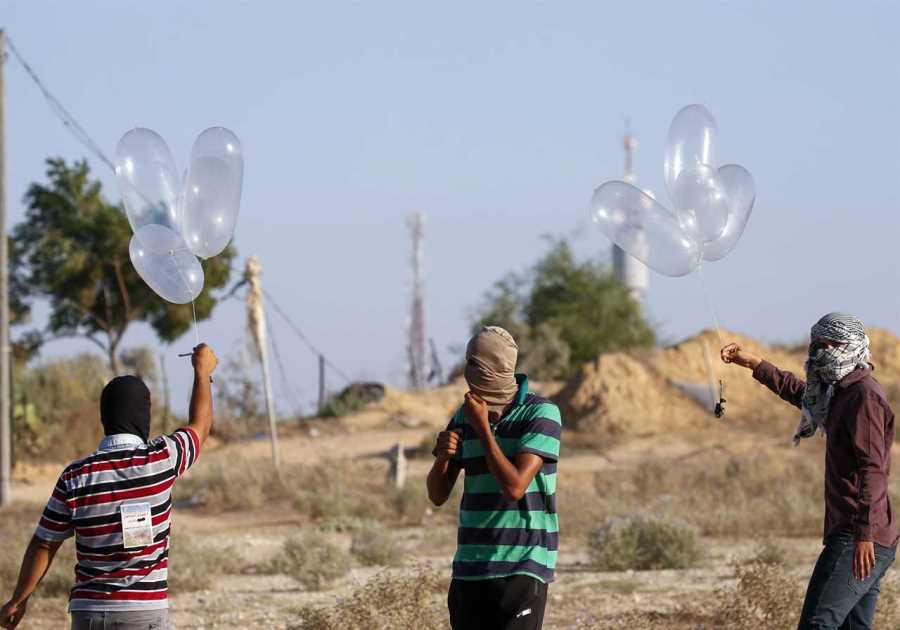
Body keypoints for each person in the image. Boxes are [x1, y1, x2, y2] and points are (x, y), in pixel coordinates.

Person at [0, 344, 218, 630]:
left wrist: (19, 599)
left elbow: (45, 542)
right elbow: (199, 427)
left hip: (88, 615)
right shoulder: (161, 459)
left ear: (105, 419)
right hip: (144, 612)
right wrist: (202, 373)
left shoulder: (75, 475)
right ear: (144, 416)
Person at [721, 313, 897, 629]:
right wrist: (754, 364)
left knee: (818, 624)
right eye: (818, 345)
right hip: (862, 535)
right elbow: (802, 395)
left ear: (853, 346)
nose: (823, 352)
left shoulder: (864, 394)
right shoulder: (838, 391)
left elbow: (872, 468)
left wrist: (864, 534)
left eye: (832, 344)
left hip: (859, 537)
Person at [427, 326, 562, 630]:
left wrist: (484, 430)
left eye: (474, 363)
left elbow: (515, 487)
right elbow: (437, 496)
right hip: (470, 567)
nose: (467, 370)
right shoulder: (465, 415)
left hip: (522, 564)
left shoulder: (541, 413)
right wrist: (443, 459)